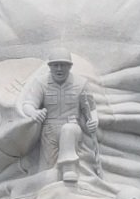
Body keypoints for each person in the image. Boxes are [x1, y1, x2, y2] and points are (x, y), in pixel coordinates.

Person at [17, 52, 99, 183]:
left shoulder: (81, 83)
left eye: (63, 65)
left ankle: (69, 168)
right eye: (55, 65)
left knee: (68, 130)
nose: (59, 69)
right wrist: (34, 113)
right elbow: (28, 104)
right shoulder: (41, 83)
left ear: (70, 66)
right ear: (50, 66)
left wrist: (94, 121)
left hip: (72, 125)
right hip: (49, 130)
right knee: (47, 173)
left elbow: (91, 108)